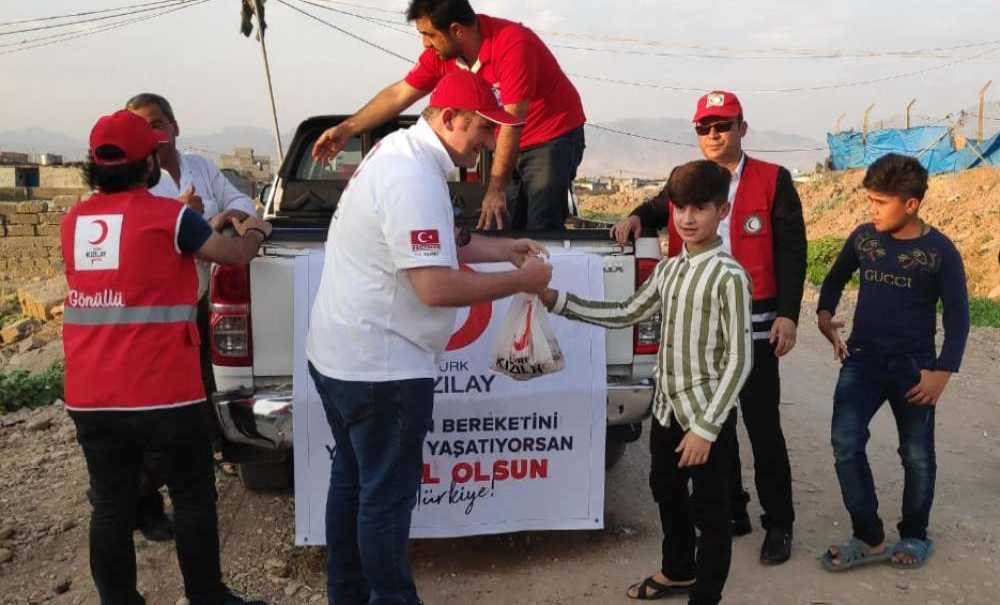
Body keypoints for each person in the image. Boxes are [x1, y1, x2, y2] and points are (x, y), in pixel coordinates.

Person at [306, 71, 553, 605]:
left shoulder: (402, 154)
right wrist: (521, 280)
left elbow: (445, 240)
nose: (490, 142)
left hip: (343, 357)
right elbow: (436, 285)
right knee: (385, 501)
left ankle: (346, 595)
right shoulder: (412, 177)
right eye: (484, 129)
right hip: (382, 368)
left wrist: (503, 248)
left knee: (352, 483)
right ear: (447, 118)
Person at [63, 109, 270, 605]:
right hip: (163, 393)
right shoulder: (170, 216)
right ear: (150, 162)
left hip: (91, 395)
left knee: (110, 505)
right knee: (194, 497)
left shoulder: (74, 222)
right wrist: (256, 230)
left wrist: (203, 221)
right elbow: (234, 256)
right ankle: (207, 597)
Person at [541, 160, 752, 605]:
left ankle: (706, 596)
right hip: (667, 410)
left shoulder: (729, 276)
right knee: (665, 489)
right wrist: (557, 301)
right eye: (680, 208)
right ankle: (678, 571)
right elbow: (626, 313)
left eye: (700, 208)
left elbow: (739, 360)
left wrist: (706, 429)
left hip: (704, 418)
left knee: (712, 514)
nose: (688, 218)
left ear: (723, 210)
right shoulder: (669, 269)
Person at [609, 91, 806, 563]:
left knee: (763, 427)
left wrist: (788, 313)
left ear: (742, 127)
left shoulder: (772, 179)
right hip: (702, 333)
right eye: (705, 127)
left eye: (723, 126)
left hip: (756, 321)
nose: (714, 135)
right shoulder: (689, 183)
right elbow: (659, 206)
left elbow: (792, 249)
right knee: (715, 424)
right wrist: (636, 216)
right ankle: (732, 509)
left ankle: (779, 522)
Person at [817, 153, 969, 572]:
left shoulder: (940, 253)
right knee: (845, 444)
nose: (872, 210)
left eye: (880, 202)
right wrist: (825, 318)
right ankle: (868, 536)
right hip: (862, 360)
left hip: (914, 368)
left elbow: (959, 318)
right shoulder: (864, 239)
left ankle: (916, 534)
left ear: (911, 204)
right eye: (870, 201)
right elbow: (832, 281)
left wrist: (942, 373)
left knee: (917, 456)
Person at [312, 0, 586, 231]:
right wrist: (347, 129)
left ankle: (544, 290)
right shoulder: (440, 57)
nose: (424, 44)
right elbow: (399, 95)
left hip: (550, 135)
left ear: (457, 31)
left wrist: (495, 188)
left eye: (429, 35)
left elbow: (512, 124)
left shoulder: (512, 44)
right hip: (502, 140)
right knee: (506, 225)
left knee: (541, 224)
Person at [125, 92, 259, 540]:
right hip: (159, 316)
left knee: (199, 402)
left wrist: (231, 214)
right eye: (143, 126)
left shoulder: (199, 167)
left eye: (159, 122)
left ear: (175, 125)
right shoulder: (135, 179)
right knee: (170, 415)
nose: (154, 133)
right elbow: (146, 240)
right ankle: (137, 494)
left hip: (199, 304)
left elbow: (241, 199)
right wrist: (192, 219)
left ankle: (170, 490)